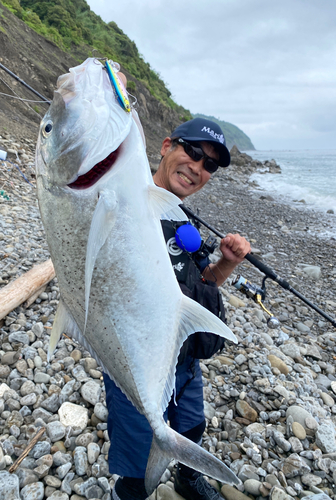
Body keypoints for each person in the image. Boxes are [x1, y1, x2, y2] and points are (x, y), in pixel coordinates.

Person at [105, 114, 251, 500]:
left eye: (210, 164)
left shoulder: (181, 220)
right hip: (135, 361)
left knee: (190, 426)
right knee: (137, 456)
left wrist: (226, 264)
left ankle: (188, 479)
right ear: (166, 146)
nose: (199, 167)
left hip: (183, 359)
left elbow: (202, 282)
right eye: (193, 151)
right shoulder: (125, 201)